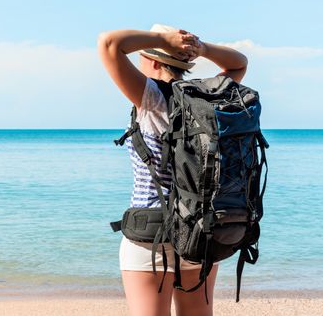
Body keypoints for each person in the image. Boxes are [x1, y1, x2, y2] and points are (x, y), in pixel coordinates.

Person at [97, 24, 248, 316]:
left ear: (153, 60)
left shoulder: (151, 96)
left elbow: (109, 44)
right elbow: (239, 64)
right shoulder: (208, 98)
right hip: (200, 231)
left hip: (151, 233)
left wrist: (160, 39)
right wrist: (202, 48)